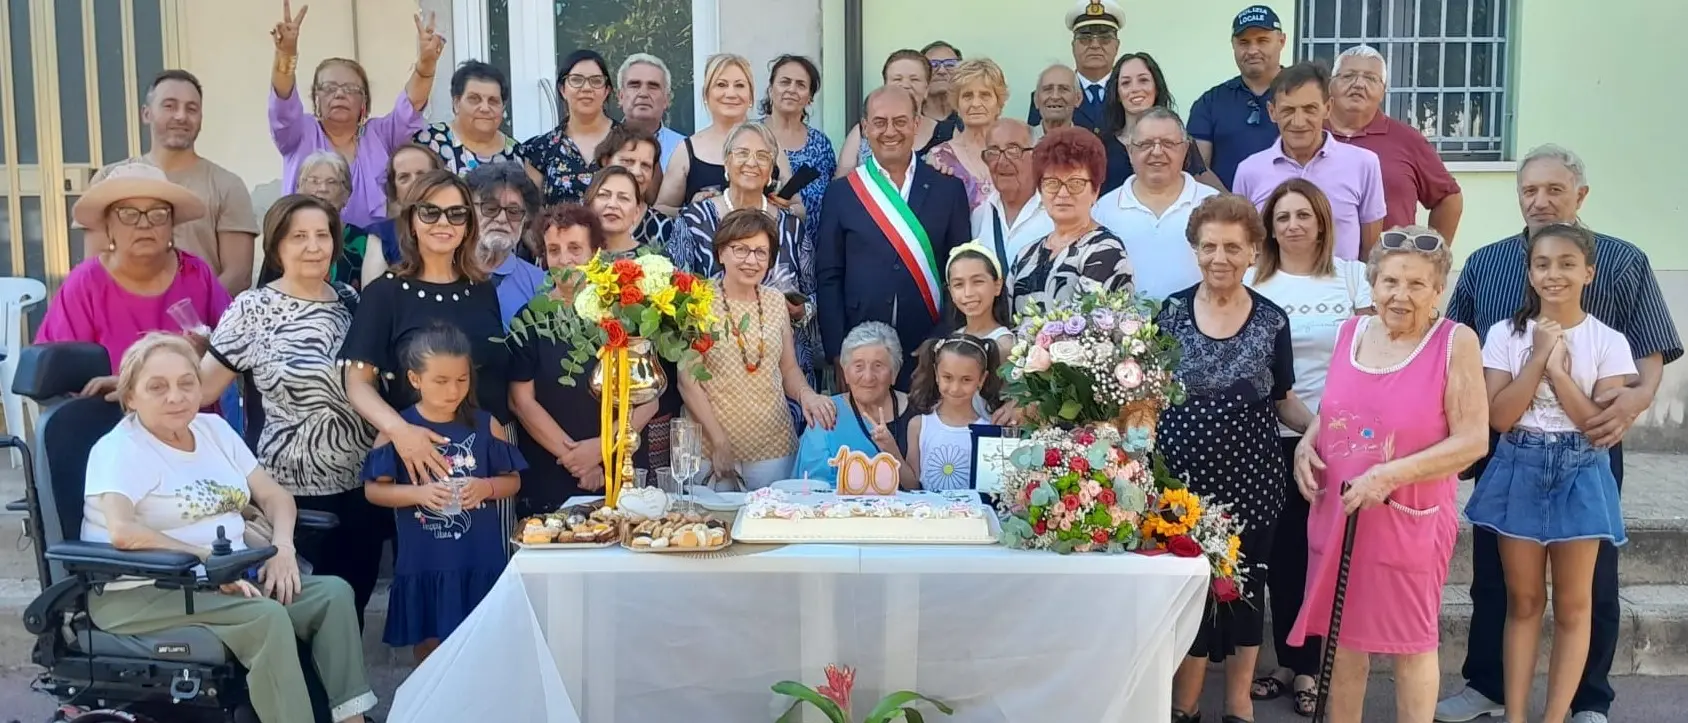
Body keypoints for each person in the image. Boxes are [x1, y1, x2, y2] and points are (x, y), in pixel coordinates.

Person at [1438, 145, 1681, 723]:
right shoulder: (1488, 264)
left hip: (1592, 440)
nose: (1541, 200)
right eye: (1530, 191)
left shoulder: (1623, 261)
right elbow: (1456, 347)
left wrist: (1638, 398)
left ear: (1580, 195)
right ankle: (1489, 686)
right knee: (1497, 584)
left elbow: (1649, 352)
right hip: (1509, 446)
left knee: (1591, 590)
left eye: (1555, 189)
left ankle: (1587, 701)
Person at [82, 333, 376, 723]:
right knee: (265, 618)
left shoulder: (212, 431)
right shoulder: (119, 449)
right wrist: (207, 560)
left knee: (333, 595)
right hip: (145, 591)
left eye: (187, 383)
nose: (176, 396)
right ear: (130, 396)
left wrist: (283, 550)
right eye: (157, 387)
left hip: (229, 576)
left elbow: (275, 497)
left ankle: (351, 719)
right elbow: (123, 531)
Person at [1289, 226, 1489, 723]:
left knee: (1411, 642)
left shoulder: (1453, 342)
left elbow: (1472, 441)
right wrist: (1308, 444)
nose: (1400, 295)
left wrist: (1388, 475)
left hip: (1407, 516)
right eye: (1390, 282)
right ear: (1372, 285)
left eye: (1417, 284)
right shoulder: (1348, 332)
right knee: (1344, 639)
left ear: (1438, 290)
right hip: (1338, 509)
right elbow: (1334, 407)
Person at [1466, 223, 1633, 723]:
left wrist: (1561, 372)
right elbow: (1500, 416)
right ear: (1530, 273)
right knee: (1523, 600)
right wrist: (1540, 356)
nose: (1553, 274)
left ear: (1588, 272)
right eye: (1542, 265)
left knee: (1575, 606)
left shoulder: (1609, 341)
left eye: (1566, 264)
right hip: (1518, 462)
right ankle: (1515, 715)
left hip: (1581, 468)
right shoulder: (1503, 334)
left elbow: (1594, 423)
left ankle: (1555, 716)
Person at [201, 194, 381, 624]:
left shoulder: (350, 304)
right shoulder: (252, 308)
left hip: (359, 486)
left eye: (322, 235)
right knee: (293, 610)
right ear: (277, 247)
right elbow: (202, 387)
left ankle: (342, 691)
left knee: (350, 607)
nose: (313, 246)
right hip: (288, 491)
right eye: (299, 236)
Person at [1157, 194, 1296, 723]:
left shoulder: (1271, 321)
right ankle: (1183, 706)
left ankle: (1238, 707)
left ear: (1254, 252)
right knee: (1187, 598)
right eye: (1209, 245)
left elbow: (1284, 399)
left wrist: (1324, 433)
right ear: (1194, 248)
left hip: (1252, 485)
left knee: (1244, 596)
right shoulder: (1168, 313)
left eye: (1233, 247)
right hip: (1180, 490)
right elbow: (1148, 396)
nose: (1220, 257)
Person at [1240, 178, 1373, 716]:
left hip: (1342, 441)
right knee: (1287, 554)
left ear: (1322, 221)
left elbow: (1368, 358)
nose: (1293, 224)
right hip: (1276, 435)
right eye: (1282, 216)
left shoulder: (1354, 277)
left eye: (1303, 215)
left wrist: (1334, 429)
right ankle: (1288, 662)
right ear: (1269, 228)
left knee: (1328, 554)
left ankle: (1318, 667)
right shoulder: (1254, 280)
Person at [341, 170, 513, 495]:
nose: (443, 223)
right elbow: (357, 383)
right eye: (430, 211)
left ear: (468, 226)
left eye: (456, 213)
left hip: (489, 463)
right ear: (412, 221)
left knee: (493, 546)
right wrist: (401, 433)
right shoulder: (384, 293)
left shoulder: (482, 290)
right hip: (417, 457)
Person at [362, 325, 526, 662]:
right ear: (415, 379)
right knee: (430, 648)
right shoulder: (399, 429)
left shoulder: (485, 425)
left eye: (462, 380)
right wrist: (419, 495)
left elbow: (513, 482)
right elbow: (374, 492)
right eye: (441, 381)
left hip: (478, 559)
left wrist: (487, 487)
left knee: (484, 647)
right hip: (425, 562)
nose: (453, 391)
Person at [818, 86, 972, 390]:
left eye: (900, 121)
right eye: (880, 122)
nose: (890, 131)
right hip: (860, 353)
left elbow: (960, 273)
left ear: (916, 124)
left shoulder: (948, 190)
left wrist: (942, 337)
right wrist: (838, 351)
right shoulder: (842, 193)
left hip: (929, 348)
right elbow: (829, 276)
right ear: (865, 128)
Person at [509, 204, 659, 515]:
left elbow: (649, 400)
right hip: (552, 470)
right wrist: (576, 459)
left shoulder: (625, 312)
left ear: (596, 253)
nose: (564, 259)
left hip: (620, 465)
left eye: (575, 248)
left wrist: (599, 451)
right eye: (554, 250)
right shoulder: (530, 319)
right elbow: (521, 402)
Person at [678, 210, 834, 490]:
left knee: (771, 531)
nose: (752, 260)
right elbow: (687, 380)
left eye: (761, 252)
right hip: (709, 449)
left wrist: (807, 395)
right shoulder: (698, 300)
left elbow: (788, 369)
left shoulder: (775, 302)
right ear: (721, 252)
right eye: (741, 249)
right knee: (710, 531)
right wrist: (719, 441)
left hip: (772, 447)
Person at [40, 162, 229, 389]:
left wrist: (207, 351)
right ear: (108, 226)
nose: (144, 223)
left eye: (158, 214)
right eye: (128, 214)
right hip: (110, 417)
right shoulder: (85, 285)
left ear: (172, 225)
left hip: (190, 415)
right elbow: (60, 372)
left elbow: (234, 345)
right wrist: (127, 389)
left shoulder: (195, 274)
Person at [670, 123, 819, 391]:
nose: (752, 162)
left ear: (771, 170)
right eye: (742, 153)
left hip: (784, 375)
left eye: (762, 156)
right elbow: (675, 296)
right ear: (726, 163)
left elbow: (815, 295)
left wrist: (801, 311)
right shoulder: (693, 222)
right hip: (713, 372)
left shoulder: (791, 227)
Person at [84, 70, 259, 296]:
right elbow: (95, 266)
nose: (180, 116)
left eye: (191, 109)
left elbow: (238, 274)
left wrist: (188, 315)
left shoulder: (227, 185)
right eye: (169, 106)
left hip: (202, 326)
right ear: (146, 114)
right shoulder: (110, 179)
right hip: (121, 320)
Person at [267, 1, 439, 228]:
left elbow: (411, 105)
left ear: (364, 103)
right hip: (306, 244)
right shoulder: (299, 132)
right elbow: (283, 102)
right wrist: (285, 55)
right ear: (315, 98)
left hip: (372, 253)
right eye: (329, 88)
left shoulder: (379, 135)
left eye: (350, 89)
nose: (339, 94)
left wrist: (426, 66)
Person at [1232, 61, 1386, 261]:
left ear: (1328, 108)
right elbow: (1243, 246)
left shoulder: (1364, 164)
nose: (1298, 121)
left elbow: (1370, 253)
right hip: (1270, 291)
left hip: (1340, 290)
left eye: (1310, 109)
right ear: (1272, 112)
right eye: (1288, 110)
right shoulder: (1249, 171)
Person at [1327, 45, 1463, 244]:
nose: (1358, 84)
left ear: (1383, 91)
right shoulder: (1312, 134)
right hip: (1323, 269)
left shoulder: (1407, 139)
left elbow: (1448, 198)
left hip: (1390, 268)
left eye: (1371, 78)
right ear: (1331, 85)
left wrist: (1432, 256)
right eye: (1348, 76)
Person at [1092, 107, 1218, 301]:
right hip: (1124, 328)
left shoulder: (1215, 205)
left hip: (1200, 326)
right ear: (1130, 150)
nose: (1157, 152)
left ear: (1185, 149)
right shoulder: (1103, 210)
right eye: (1146, 144)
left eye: (1168, 143)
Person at [1007, 126, 1132, 316]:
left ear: (1095, 190)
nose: (1062, 194)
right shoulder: (1026, 254)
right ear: (1040, 190)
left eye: (1075, 183)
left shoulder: (1105, 250)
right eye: (1052, 184)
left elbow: (1093, 330)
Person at [659, 54, 797, 213]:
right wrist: (692, 210)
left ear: (750, 96)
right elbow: (661, 209)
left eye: (739, 85)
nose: (731, 93)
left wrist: (778, 209)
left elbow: (799, 209)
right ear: (706, 94)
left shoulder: (770, 145)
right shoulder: (687, 150)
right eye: (721, 84)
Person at [791, 322, 914, 482]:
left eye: (878, 366)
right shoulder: (826, 414)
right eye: (859, 366)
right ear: (845, 374)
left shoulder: (917, 414)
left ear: (894, 373)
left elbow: (923, 486)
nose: (868, 376)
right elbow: (814, 488)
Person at [1189, 5, 1288, 190]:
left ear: (1282, 41)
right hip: (1229, 214)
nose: (1252, 50)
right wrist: (1234, 209)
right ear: (1233, 45)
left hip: (1291, 214)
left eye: (1262, 40)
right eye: (1244, 42)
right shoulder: (1210, 103)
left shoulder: (1302, 95)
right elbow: (1197, 169)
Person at [1099, 53, 1223, 194]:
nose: (1135, 89)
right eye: (1126, 83)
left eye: (1143, 80)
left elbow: (1203, 187)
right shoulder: (1102, 146)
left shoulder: (1179, 140)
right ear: (1117, 94)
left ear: (1156, 88)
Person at [889, 334, 997, 491]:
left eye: (966, 380)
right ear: (936, 373)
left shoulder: (988, 433)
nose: (955, 388)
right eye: (948, 377)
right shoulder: (919, 425)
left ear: (982, 379)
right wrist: (890, 448)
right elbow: (912, 485)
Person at [517, 49, 619, 205]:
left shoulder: (629, 142)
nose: (586, 88)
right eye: (576, 80)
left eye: (596, 81)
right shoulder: (538, 150)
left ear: (607, 91)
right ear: (562, 89)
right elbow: (533, 214)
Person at [837, 50, 957, 175]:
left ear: (926, 89)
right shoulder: (863, 131)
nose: (905, 85)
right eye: (897, 79)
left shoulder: (951, 134)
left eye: (914, 79)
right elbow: (842, 186)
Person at [269, 151, 375, 290]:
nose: (322, 189)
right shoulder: (283, 236)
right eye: (314, 181)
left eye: (332, 182)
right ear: (299, 188)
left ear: (347, 193)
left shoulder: (364, 242)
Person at [762, 54, 837, 239]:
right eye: (785, 82)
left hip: (813, 251)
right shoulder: (751, 136)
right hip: (761, 250)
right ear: (771, 90)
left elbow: (832, 202)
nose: (792, 90)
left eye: (801, 85)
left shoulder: (821, 144)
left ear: (810, 97)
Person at [464, 162, 547, 326]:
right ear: (467, 211)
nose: (502, 219)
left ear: (525, 219)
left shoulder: (540, 284)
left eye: (514, 211)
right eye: (490, 208)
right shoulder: (443, 272)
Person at [925, 59, 1010, 210]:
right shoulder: (940, 157)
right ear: (957, 104)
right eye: (967, 96)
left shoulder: (1018, 153)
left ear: (999, 103)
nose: (975, 104)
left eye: (985, 95)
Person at [1028, 1, 1122, 133]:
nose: (1095, 45)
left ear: (1117, 46)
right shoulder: (1047, 97)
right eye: (1085, 38)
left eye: (1105, 38)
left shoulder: (1128, 93)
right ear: (1073, 46)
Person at [412, 61, 519, 176]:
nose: (485, 108)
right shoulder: (428, 142)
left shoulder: (517, 155)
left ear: (502, 108)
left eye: (493, 101)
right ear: (457, 104)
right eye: (474, 99)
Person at [971, 119, 1053, 267]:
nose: (1002, 161)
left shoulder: (1054, 213)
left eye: (1013, 150)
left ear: (1036, 156)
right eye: (993, 152)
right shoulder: (980, 216)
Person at [367, 143, 444, 275]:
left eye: (422, 174)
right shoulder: (382, 233)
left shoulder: (457, 223)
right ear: (394, 189)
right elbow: (372, 292)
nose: (415, 182)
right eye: (404, 177)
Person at [593, 124, 671, 247]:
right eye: (628, 161)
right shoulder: (578, 221)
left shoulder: (667, 229)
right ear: (606, 161)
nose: (636, 172)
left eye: (645, 165)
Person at [618, 54, 686, 167]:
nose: (643, 93)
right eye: (634, 85)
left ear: (666, 99)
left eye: (653, 86)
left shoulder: (685, 148)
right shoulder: (603, 143)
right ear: (620, 96)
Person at [586, 166, 659, 260]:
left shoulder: (654, 261)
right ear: (588, 204)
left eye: (623, 198)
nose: (613, 205)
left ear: (637, 213)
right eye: (603, 195)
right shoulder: (572, 257)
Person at [920, 41, 964, 134]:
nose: (942, 71)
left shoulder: (970, 117)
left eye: (950, 65)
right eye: (933, 65)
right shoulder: (909, 120)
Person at [1029, 64, 1079, 141]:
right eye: (1047, 89)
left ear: (1078, 98)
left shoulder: (1088, 145)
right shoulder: (1021, 141)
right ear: (1036, 100)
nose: (1055, 96)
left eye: (1064, 89)